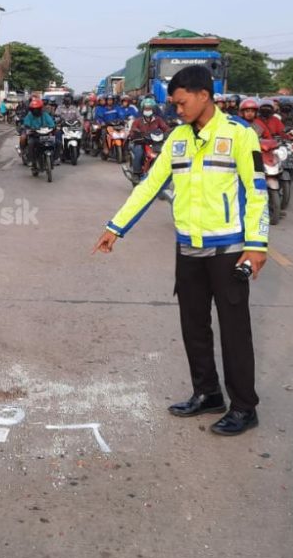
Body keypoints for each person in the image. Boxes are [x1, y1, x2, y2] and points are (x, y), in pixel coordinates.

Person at [94, 65, 268, 437]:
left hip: (229, 250)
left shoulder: (239, 135)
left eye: (181, 102)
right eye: (173, 104)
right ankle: (207, 393)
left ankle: (244, 406)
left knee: (235, 331)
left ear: (204, 95)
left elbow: (257, 192)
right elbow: (148, 186)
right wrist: (115, 227)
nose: (177, 109)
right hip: (188, 249)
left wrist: (257, 244)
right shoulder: (176, 138)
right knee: (194, 327)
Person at [128, 97, 170, 177]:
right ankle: (136, 173)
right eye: (146, 109)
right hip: (141, 142)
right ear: (143, 109)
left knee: (164, 152)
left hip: (155, 142)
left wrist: (167, 133)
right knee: (138, 152)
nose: (147, 110)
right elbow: (132, 131)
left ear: (153, 109)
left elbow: (165, 128)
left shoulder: (158, 120)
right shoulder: (137, 121)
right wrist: (136, 134)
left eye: (149, 108)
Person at [21, 96, 56, 169]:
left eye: (37, 109)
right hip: (34, 135)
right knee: (31, 143)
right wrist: (29, 129)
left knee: (55, 142)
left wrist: (53, 127)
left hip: (45, 135)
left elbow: (51, 123)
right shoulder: (29, 115)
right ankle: (30, 160)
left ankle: (53, 159)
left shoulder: (45, 115)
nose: (35, 110)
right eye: (34, 109)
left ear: (40, 108)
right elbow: (26, 124)